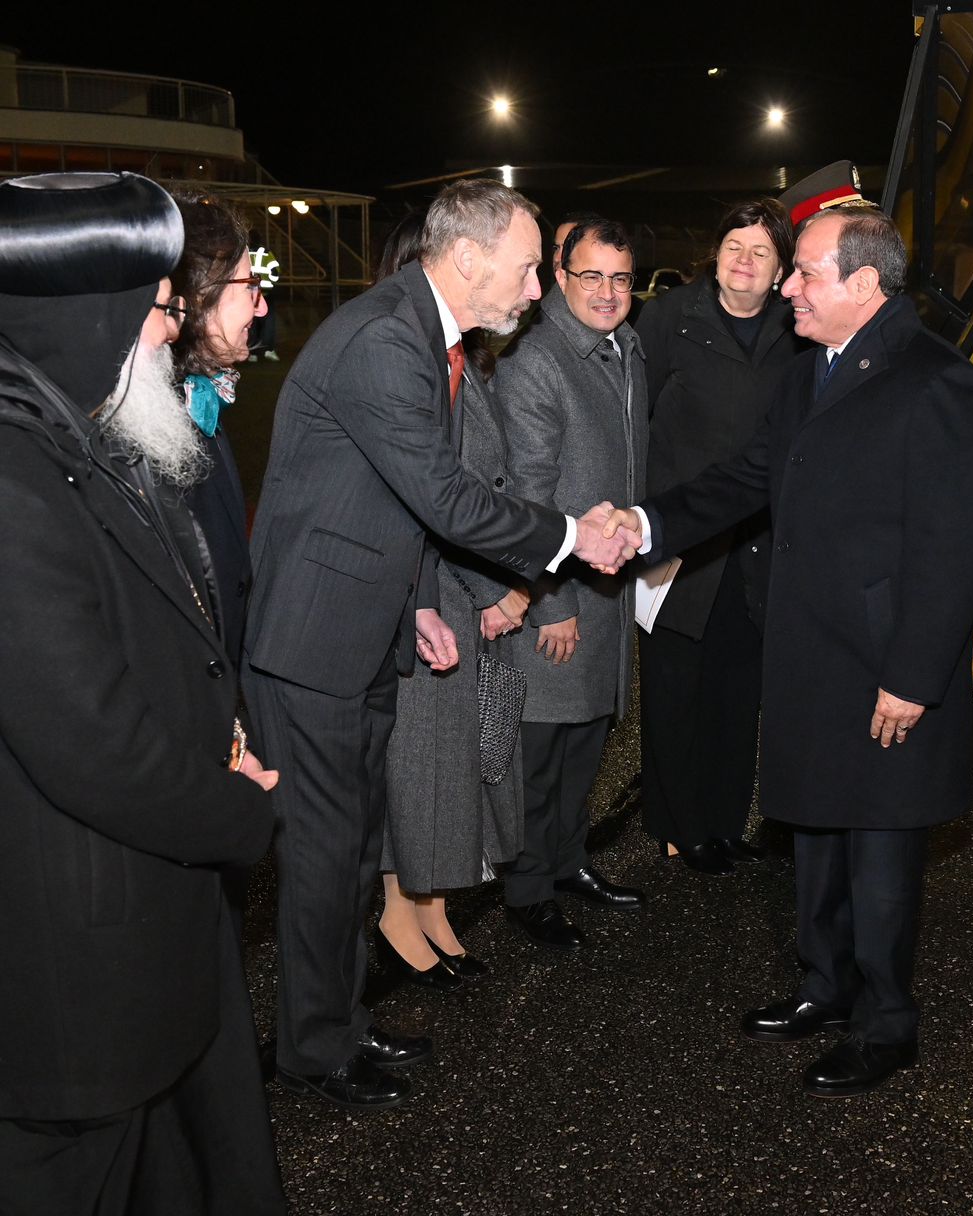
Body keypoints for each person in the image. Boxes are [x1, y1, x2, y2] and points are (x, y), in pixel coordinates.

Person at [244, 179, 639, 1111]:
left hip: (367, 624)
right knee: (326, 858)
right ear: (467, 258)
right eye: (528, 268)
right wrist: (570, 535)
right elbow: (443, 496)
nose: (537, 289)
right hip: (314, 641)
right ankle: (315, 1049)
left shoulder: (421, 333)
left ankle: (339, 1023)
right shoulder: (388, 339)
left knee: (354, 848)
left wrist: (420, 599)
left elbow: (390, 502)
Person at [604, 186, 973, 1097]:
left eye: (806, 275)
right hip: (811, 653)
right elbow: (744, 479)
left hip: (885, 668)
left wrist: (914, 678)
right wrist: (644, 523)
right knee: (815, 829)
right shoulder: (810, 369)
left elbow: (953, 551)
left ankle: (886, 1022)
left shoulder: (938, 382)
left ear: (863, 284)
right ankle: (824, 985)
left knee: (880, 850)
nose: (786, 289)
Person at [0, 172, 283, 1213]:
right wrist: (240, 812)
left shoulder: (76, 432)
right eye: (160, 308)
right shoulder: (12, 481)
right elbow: (91, 740)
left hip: (142, 933)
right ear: (89, 316)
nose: (172, 330)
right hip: (73, 982)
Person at [372, 212, 528, 992]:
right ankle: (398, 913)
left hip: (462, 598)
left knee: (449, 771)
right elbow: (441, 501)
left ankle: (429, 908)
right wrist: (494, 589)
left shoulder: (464, 360)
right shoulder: (410, 366)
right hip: (431, 597)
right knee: (418, 772)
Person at [634, 199, 807, 876]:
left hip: (758, 542)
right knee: (676, 690)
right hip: (681, 539)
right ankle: (678, 826)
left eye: (761, 252)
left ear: (781, 269)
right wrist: (641, 519)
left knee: (738, 693)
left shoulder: (797, 328)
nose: (745, 261)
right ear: (715, 253)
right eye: (735, 245)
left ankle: (726, 823)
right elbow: (636, 419)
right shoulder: (671, 317)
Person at [496, 217, 649, 951]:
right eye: (591, 276)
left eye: (621, 278)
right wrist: (547, 603)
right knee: (539, 755)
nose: (607, 292)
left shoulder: (624, 348)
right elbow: (526, 496)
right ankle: (527, 890)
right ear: (560, 276)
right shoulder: (537, 360)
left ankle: (567, 861)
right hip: (558, 598)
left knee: (585, 743)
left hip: (608, 589)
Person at [169, 190, 270, 668]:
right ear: (201, 295)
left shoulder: (200, 397)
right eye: (249, 286)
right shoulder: (143, 427)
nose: (261, 308)